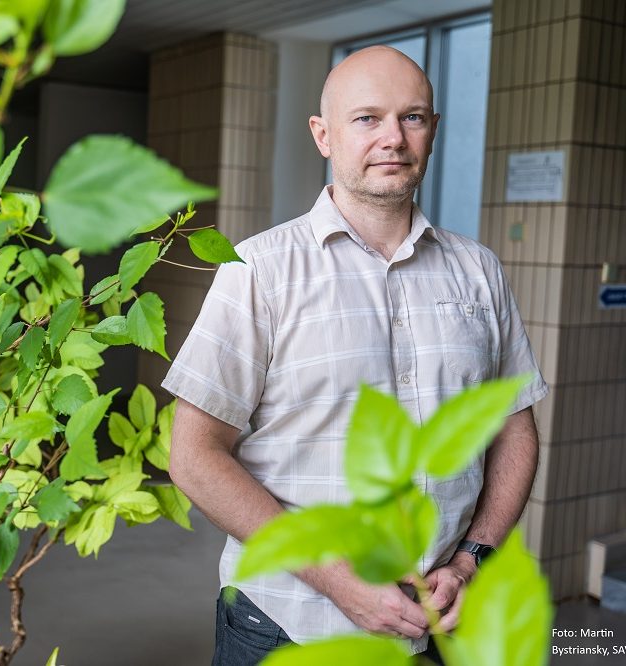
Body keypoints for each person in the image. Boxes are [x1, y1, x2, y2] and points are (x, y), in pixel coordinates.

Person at [163, 45, 548, 665]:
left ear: (432, 131)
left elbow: (514, 429)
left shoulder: (478, 271)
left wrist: (474, 557)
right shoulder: (259, 269)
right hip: (283, 624)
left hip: (437, 627)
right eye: (366, 118)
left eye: (412, 117)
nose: (392, 138)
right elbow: (194, 456)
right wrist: (339, 581)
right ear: (323, 135)